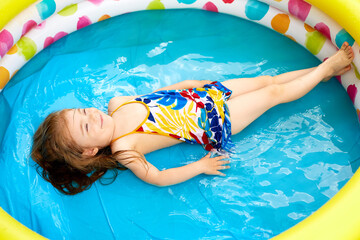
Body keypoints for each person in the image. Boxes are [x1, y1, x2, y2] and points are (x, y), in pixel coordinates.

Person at [31, 42, 354, 195]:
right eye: (86, 126)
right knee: (273, 96)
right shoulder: (124, 148)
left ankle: (317, 75)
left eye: (81, 112)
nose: (92, 116)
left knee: (267, 82)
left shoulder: (116, 102)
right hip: (216, 122)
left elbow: (157, 95)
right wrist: (199, 167)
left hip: (202, 96)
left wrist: (185, 86)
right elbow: (157, 177)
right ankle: (326, 68)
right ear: (89, 152)